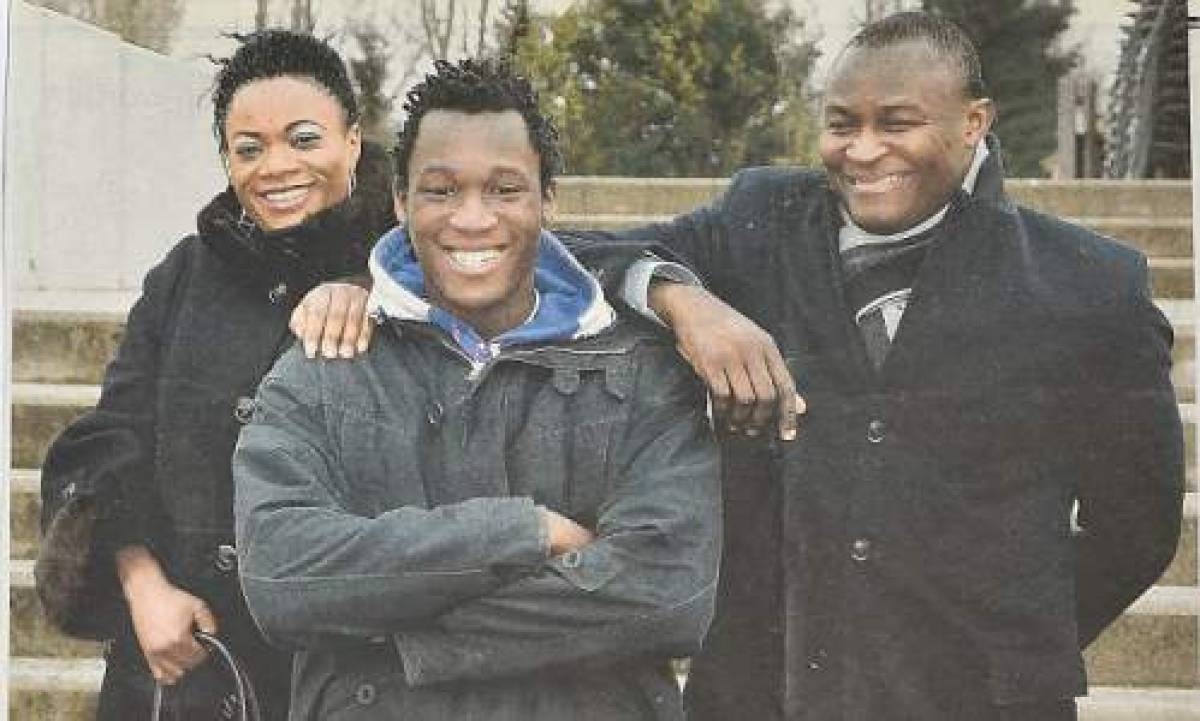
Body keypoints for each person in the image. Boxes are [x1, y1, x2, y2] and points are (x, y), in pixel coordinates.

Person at [581, 12, 1183, 721]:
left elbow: (1137, 527)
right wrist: (681, 298)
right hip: (761, 692)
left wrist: (1005, 646)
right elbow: (561, 256)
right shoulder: (762, 218)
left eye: (896, 123)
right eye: (842, 124)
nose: (863, 151)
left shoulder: (1088, 284)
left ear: (973, 122)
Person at [231, 57, 721, 720]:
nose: (471, 218)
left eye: (504, 189)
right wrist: (525, 530)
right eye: (439, 190)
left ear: (548, 198)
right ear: (400, 201)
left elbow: (667, 593)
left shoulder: (642, 366)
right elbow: (281, 575)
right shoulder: (322, 362)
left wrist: (401, 633)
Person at [36, 30, 395, 720]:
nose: (276, 166)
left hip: (341, 681)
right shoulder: (185, 273)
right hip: (182, 670)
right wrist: (142, 584)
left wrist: (373, 285)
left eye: (303, 138)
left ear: (352, 140)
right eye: (248, 148)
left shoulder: (409, 267)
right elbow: (109, 436)